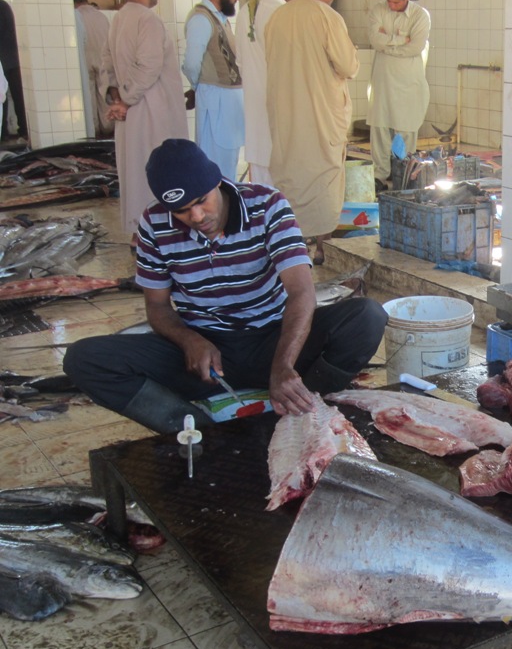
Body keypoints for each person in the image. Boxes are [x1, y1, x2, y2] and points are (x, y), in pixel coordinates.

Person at [63, 139, 388, 434]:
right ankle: (195, 430)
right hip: (205, 357)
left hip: (273, 340)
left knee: (367, 317)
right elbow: (158, 307)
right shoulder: (154, 223)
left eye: (202, 201)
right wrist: (189, 340)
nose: (197, 215)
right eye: (181, 211)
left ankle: (304, 403)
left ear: (217, 181)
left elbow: (301, 292)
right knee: (84, 359)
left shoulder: (267, 205)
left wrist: (283, 366)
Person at [265, 0, 358, 266]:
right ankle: (323, 247)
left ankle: (292, 247)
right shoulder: (328, 16)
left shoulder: (278, 16)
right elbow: (348, 65)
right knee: (323, 178)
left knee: (291, 175)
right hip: (320, 115)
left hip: (287, 114)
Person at [99, 0, 188, 240]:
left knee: (135, 173)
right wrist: (125, 101)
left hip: (131, 112)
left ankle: (141, 235)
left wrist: (117, 98)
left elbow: (106, 68)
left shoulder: (118, 19)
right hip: (152, 111)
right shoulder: (147, 20)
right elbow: (149, 66)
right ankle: (157, 236)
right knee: (157, 171)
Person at [235, 0, 306, 185]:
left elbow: (240, 63)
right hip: (279, 112)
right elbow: (292, 67)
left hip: (255, 112)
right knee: (283, 194)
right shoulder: (283, 12)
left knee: (261, 191)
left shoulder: (246, 10)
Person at [367, 0, 430, 193]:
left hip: (408, 81)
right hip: (383, 79)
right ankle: (379, 176)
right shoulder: (378, 10)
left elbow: (416, 47)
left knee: (405, 128)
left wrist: (389, 43)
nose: (392, 7)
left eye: (396, 3)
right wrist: (402, 39)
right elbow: (374, 40)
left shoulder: (420, 16)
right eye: (389, 2)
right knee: (380, 127)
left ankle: (404, 174)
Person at [182, 0, 245, 181]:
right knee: (216, 169)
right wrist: (197, 86)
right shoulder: (201, 19)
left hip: (228, 106)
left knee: (229, 165)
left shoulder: (220, 18)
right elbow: (191, 63)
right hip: (215, 101)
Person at [74, 0, 114, 138]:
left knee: (89, 96)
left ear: (76, 4)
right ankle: (108, 128)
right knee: (104, 93)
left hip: (86, 59)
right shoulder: (100, 15)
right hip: (103, 59)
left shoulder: (77, 16)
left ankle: (93, 131)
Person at [0, 0, 27, 141]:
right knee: (18, 97)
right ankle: (23, 129)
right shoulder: (5, 5)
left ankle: (3, 132)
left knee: (3, 98)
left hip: (5, 60)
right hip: (13, 59)